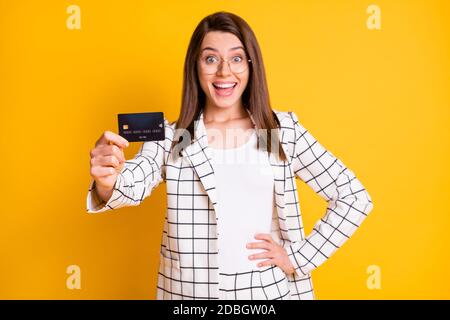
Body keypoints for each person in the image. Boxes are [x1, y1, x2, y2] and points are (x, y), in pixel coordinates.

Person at [87, 11, 374, 300]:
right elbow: (134, 182)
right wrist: (108, 179)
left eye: (236, 58)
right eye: (211, 59)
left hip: (268, 291)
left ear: (251, 65)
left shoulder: (279, 131)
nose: (224, 72)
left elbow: (353, 197)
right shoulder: (172, 137)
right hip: (191, 295)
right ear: (195, 67)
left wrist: (298, 258)